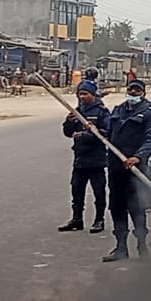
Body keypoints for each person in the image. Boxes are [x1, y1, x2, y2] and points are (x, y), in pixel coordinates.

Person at [102, 79, 151, 262]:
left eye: (137, 90)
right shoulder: (118, 110)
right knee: (117, 207)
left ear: (143, 92)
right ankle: (120, 248)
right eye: (131, 89)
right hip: (116, 166)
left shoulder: (149, 113)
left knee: (136, 208)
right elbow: (108, 133)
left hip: (135, 168)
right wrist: (93, 129)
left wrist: (139, 156)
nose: (133, 93)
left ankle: (142, 246)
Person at [58, 80, 111, 234]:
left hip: (96, 159)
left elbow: (107, 133)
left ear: (93, 95)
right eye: (80, 94)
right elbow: (68, 133)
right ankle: (77, 219)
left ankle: (99, 219)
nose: (82, 97)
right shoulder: (77, 112)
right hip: (80, 159)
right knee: (76, 190)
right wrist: (68, 122)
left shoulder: (102, 112)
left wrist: (87, 135)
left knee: (99, 191)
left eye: (85, 94)